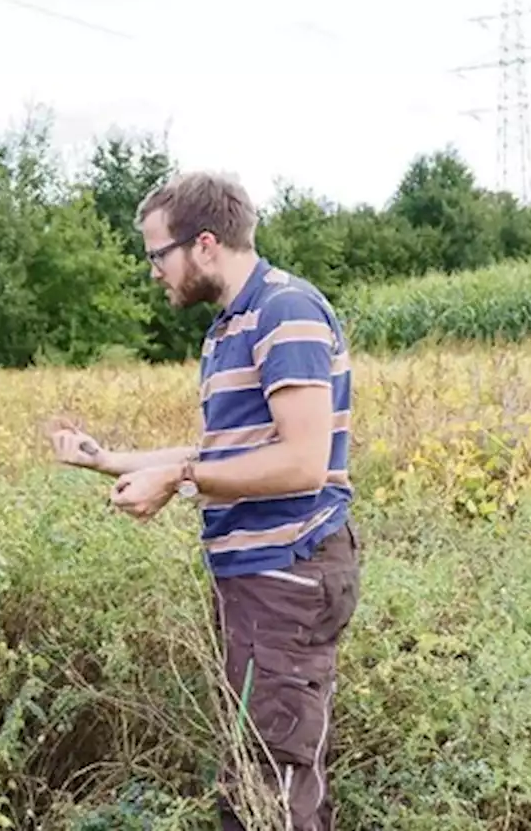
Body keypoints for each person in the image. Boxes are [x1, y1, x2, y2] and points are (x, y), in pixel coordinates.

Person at [46, 171, 360, 830]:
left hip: (287, 571)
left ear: (206, 244)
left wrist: (178, 478)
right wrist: (106, 460)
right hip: (257, 577)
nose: (154, 270)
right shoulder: (230, 326)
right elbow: (222, 452)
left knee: (271, 777)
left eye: (159, 253)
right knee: (259, 770)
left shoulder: (285, 312)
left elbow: (304, 462)